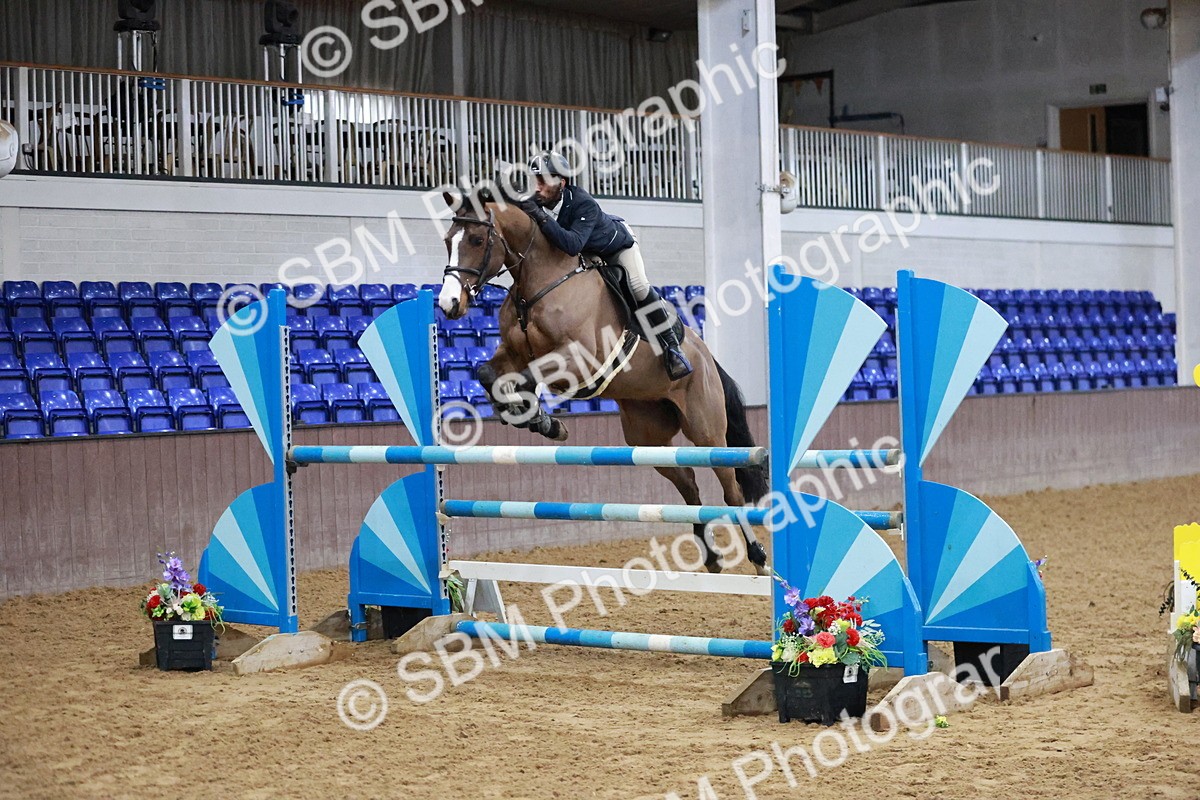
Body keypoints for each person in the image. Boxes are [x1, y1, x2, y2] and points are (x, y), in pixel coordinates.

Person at [513, 151, 692, 381]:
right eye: (533, 180)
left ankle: (672, 348)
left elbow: (572, 244)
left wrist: (539, 215)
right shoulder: (538, 202)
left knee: (638, 286)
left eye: (543, 180)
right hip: (587, 252)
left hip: (617, 248)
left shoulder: (582, 203)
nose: (536, 187)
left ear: (562, 182)